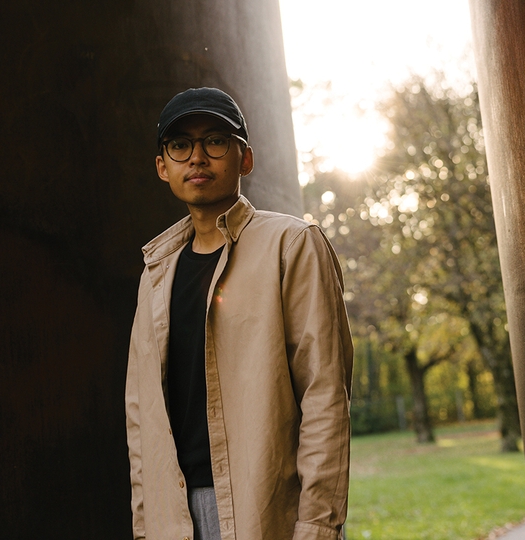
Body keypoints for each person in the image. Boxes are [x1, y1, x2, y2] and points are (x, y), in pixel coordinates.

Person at [125, 87, 353, 540]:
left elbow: (325, 393)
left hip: (267, 510)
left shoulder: (292, 245)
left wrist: (317, 525)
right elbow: (140, 418)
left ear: (244, 158)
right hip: (177, 516)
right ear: (162, 166)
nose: (197, 158)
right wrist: (146, 526)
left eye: (214, 140)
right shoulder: (155, 273)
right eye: (180, 145)